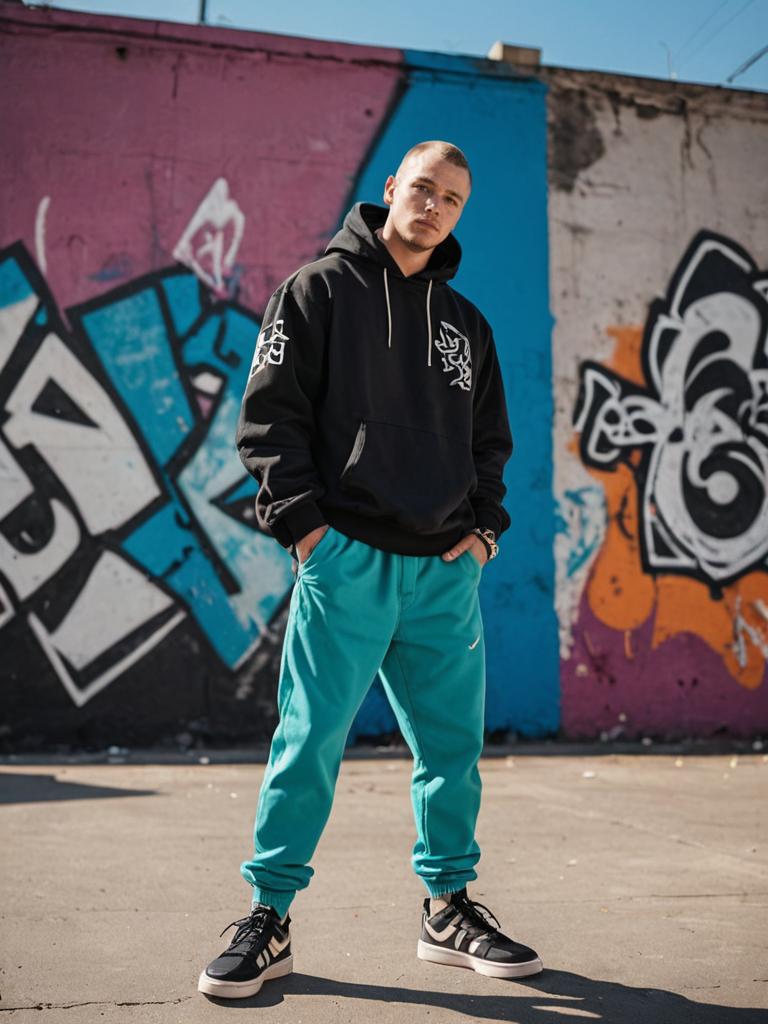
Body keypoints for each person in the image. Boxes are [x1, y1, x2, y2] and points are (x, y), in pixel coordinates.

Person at [198, 141, 543, 999]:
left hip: (442, 573)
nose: (434, 206)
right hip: (346, 559)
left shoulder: (468, 324)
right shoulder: (316, 292)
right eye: (422, 188)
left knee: (452, 752)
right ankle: (268, 916)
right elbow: (268, 420)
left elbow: (491, 446)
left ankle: (448, 907)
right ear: (391, 188)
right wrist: (311, 535)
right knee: (309, 741)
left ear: (460, 212)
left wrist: (485, 534)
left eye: (452, 199)